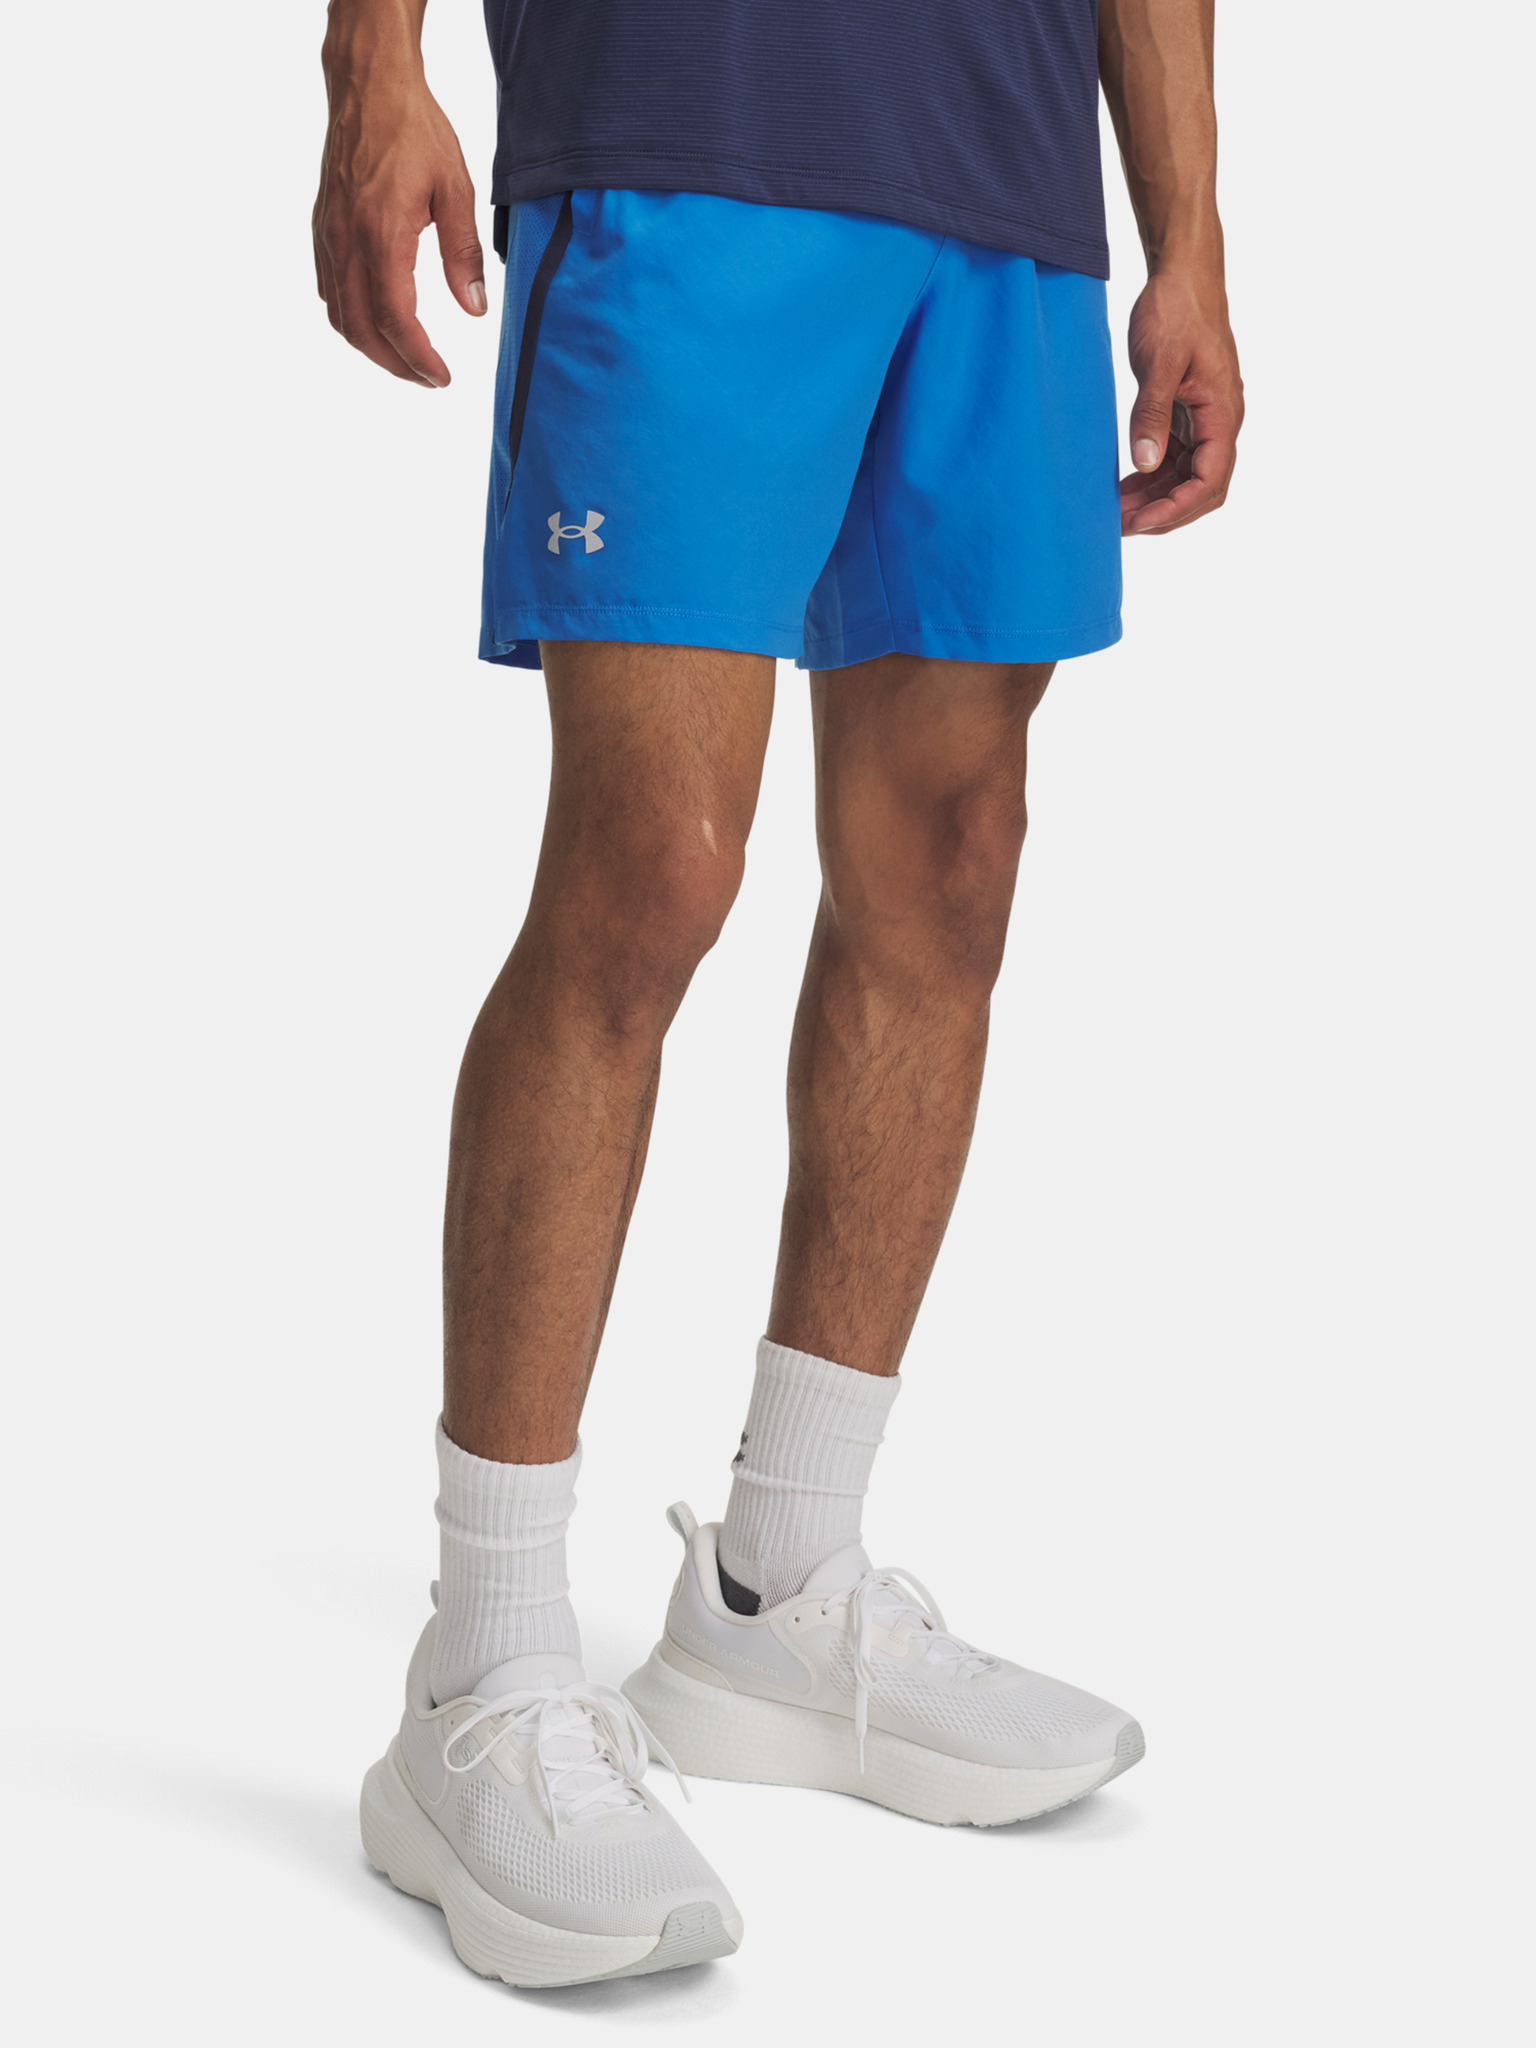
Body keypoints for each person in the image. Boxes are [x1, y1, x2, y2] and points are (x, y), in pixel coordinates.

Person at [315, 0, 1243, 1989]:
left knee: (952, 860)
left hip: (1001, 172)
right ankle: (482, 1670)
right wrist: (371, 64)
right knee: (649, 868)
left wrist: (1192, 238)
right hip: (689, 120)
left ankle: (779, 1588)